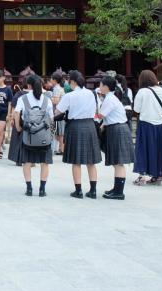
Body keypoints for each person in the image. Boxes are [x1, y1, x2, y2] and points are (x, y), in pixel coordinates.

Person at [55, 70, 101, 199]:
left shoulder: (69, 96)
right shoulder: (92, 94)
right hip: (90, 125)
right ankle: (93, 191)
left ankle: (78, 191)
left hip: (75, 126)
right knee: (91, 161)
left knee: (76, 161)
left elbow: (58, 111)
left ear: (73, 82)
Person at [132, 69, 162, 185]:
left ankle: (142, 176)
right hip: (160, 125)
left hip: (145, 124)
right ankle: (158, 175)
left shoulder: (142, 92)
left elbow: (136, 109)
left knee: (143, 150)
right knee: (159, 150)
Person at [13, 75, 53, 197]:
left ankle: (29, 189)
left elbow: (16, 114)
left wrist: (18, 128)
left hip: (28, 135)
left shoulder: (23, 98)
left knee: (27, 162)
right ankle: (42, 189)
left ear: (28, 85)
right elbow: (51, 118)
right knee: (44, 163)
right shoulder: (47, 99)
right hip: (43, 137)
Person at [96, 75, 133, 199]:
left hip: (117, 130)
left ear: (106, 87)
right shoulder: (110, 98)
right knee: (117, 163)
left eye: (100, 85)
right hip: (116, 129)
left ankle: (119, 192)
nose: (99, 87)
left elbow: (100, 115)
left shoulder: (109, 99)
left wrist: (97, 100)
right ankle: (117, 189)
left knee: (118, 163)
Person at [49, 71, 66, 156]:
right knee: (59, 132)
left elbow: (55, 101)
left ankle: (62, 149)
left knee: (59, 132)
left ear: (55, 80)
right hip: (62, 111)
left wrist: (48, 98)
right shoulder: (61, 88)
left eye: (51, 79)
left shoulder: (56, 88)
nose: (50, 80)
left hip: (58, 112)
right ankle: (60, 148)